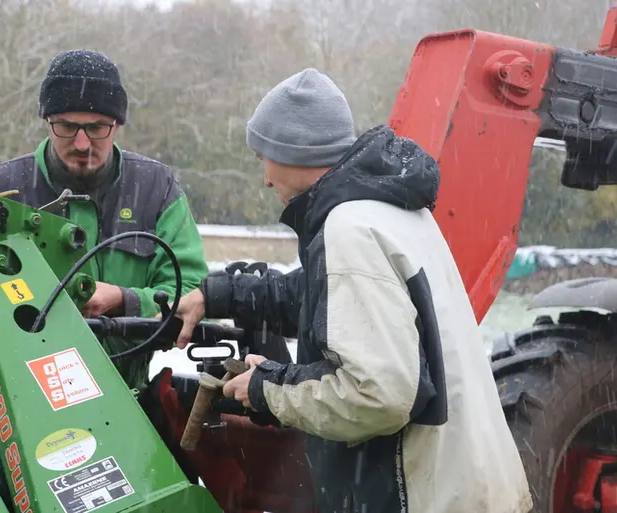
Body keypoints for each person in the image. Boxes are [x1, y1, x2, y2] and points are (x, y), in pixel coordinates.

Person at [171, 68, 533, 512]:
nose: (264, 179)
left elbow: (378, 394)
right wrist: (218, 294)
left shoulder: (349, 228)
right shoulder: (390, 210)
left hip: (425, 498)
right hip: (468, 481)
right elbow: (316, 296)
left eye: (263, 156)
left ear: (293, 153)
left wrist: (269, 387)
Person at [0, 49, 209, 392]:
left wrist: (124, 300)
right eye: (67, 126)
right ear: (47, 121)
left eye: (97, 127)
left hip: (129, 398)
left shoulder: (157, 189)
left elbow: (193, 294)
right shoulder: (0, 191)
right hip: (19, 398)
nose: (82, 144)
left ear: (117, 125)